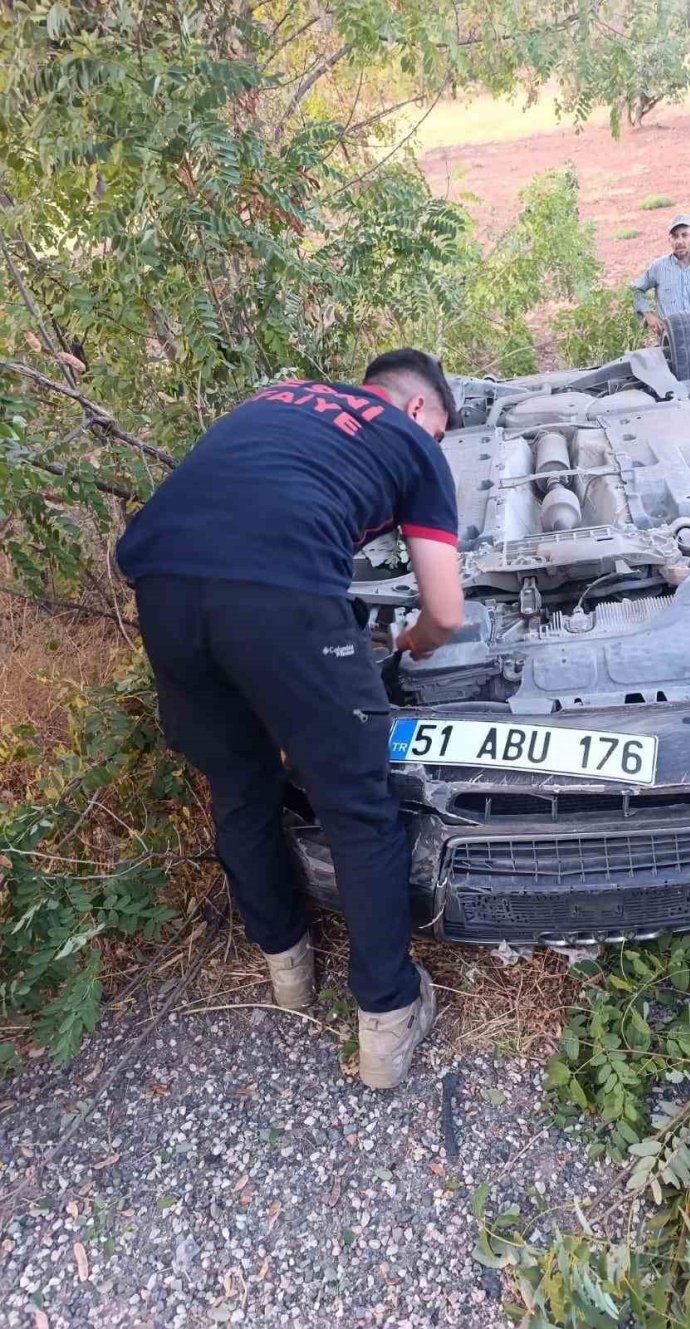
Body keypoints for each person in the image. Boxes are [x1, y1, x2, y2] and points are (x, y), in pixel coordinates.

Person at [116, 349, 465, 1091]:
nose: (434, 442)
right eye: (439, 430)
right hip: (279, 597)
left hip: (163, 589)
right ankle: (388, 1017)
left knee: (239, 784)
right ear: (417, 409)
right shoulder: (411, 441)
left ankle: (287, 969)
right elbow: (444, 612)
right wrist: (409, 645)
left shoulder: (276, 399)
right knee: (357, 804)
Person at [631, 213, 690, 335]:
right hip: (670, 336)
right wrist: (649, 315)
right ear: (669, 240)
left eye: (684, 235)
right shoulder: (658, 267)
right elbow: (637, 289)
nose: (679, 241)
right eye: (675, 236)